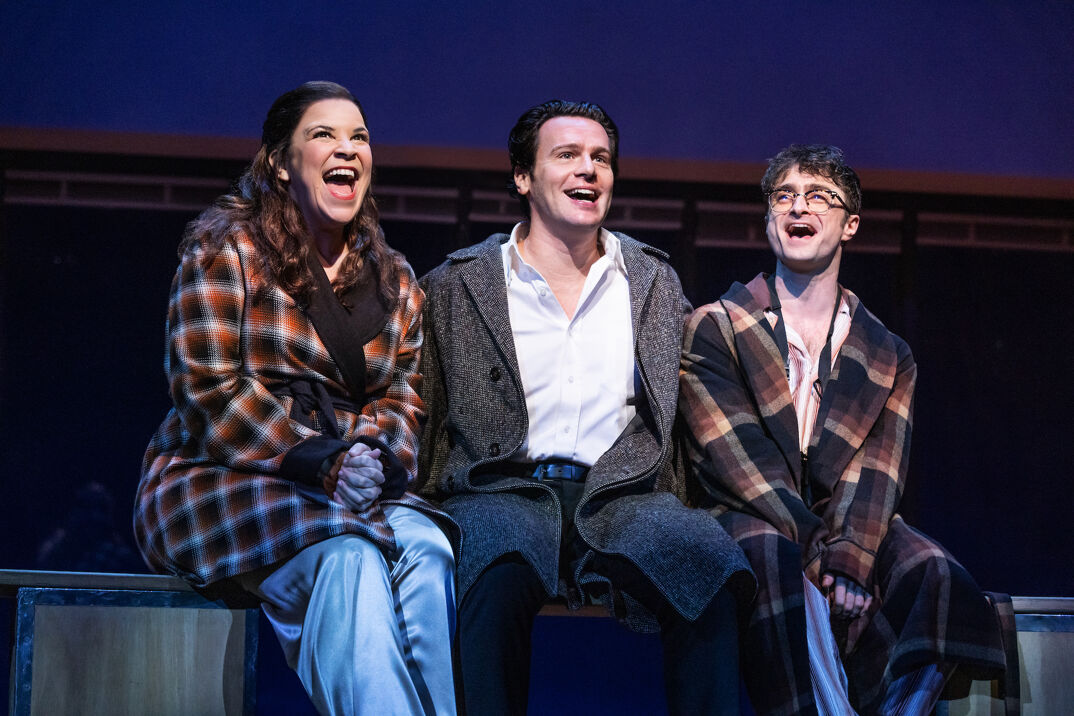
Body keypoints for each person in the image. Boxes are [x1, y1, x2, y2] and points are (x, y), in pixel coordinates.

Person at [418, 99, 753, 716]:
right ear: (524, 178)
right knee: (490, 575)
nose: (588, 170)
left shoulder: (651, 279)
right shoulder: (456, 283)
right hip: (503, 492)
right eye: (567, 155)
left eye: (601, 158)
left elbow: (674, 410)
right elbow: (427, 411)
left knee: (708, 566)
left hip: (620, 493)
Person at [133, 81, 458, 716]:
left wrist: (368, 459)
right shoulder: (225, 251)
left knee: (429, 548)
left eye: (359, 136)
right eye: (324, 135)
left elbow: (403, 396)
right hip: (224, 472)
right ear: (281, 163)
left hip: (353, 480)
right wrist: (319, 460)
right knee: (351, 553)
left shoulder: (394, 279)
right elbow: (208, 392)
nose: (348, 149)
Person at [679, 144, 1006, 715]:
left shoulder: (885, 352)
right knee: (774, 560)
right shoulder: (717, 327)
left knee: (936, 575)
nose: (797, 207)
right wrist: (817, 552)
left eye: (817, 197)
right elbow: (733, 457)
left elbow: (879, 467)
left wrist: (851, 555)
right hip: (752, 515)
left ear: (849, 224)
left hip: (844, 523)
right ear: (768, 219)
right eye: (784, 196)